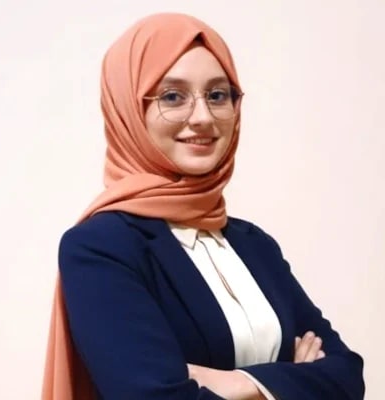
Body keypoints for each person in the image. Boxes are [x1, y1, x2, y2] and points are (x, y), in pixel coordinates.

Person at [42, 12, 365, 400]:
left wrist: (237, 382)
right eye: (172, 96)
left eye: (217, 95)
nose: (203, 117)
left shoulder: (254, 244)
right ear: (128, 109)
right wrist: (291, 381)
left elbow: (348, 375)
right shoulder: (102, 247)